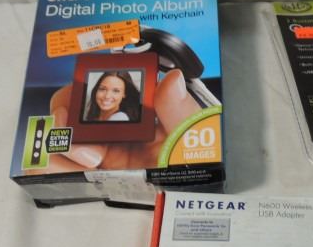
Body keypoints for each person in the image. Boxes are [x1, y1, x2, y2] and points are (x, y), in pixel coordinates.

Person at [28, 69, 201, 172]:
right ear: (95, 90)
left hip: (173, 174)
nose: (107, 96)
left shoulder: (121, 118)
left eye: (116, 91)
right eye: (102, 89)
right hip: (110, 178)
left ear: (124, 95)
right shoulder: (92, 117)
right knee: (39, 158)